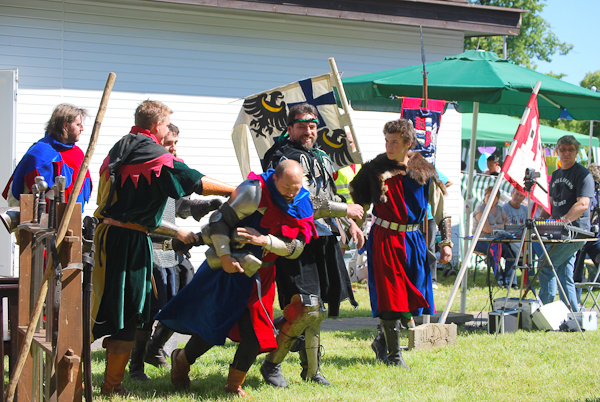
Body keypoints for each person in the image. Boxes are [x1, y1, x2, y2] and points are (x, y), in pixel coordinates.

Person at [91, 100, 236, 396]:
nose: (168, 130)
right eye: (167, 124)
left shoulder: (123, 145)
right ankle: (111, 385)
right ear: (157, 125)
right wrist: (236, 189)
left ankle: (113, 381)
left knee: (126, 310)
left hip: (119, 236)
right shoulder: (148, 150)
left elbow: (170, 195)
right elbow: (193, 180)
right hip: (125, 241)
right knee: (127, 312)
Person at [157, 160, 317, 397]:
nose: (291, 194)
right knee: (213, 325)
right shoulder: (253, 191)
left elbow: (297, 247)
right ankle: (181, 359)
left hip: (262, 275)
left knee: (257, 335)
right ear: (275, 179)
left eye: (296, 188)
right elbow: (218, 222)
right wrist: (224, 257)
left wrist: (265, 241)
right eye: (286, 188)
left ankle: (234, 386)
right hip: (230, 270)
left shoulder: (302, 201)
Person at [260, 103, 365, 387]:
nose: (308, 131)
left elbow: (329, 194)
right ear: (290, 128)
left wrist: (349, 222)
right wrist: (345, 210)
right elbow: (300, 203)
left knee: (316, 310)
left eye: (312, 126)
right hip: (295, 239)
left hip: (324, 237)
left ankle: (312, 371)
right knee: (306, 306)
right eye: (302, 126)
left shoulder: (321, 156)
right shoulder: (281, 158)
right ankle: (272, 364)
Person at [349, 119, 453, 368]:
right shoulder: (374, 170)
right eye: (387, 140)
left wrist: (446, 242)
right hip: (384, 239)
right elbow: (358, 207)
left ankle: (381, 342)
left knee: (410, 295)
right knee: (390, 295)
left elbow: (440, 208)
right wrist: (352, 226)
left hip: (414, 240)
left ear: (408, 143)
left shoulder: (423, 169)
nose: (389, 146)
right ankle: (394, 356)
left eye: (394, 142)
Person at [128, 123, 224, 382]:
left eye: (175, 143)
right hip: (151, 251)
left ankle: (154, 348)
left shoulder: (171, 168)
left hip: (174, 253)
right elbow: (145, 217)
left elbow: (177, 205)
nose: (172, 148)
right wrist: (177, 231)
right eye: (168, 143)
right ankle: (135, 366)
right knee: (147, 312)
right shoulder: (145, 172)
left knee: (179, 305)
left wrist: (205, 204)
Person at [538, 136, 594, 312]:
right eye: (562, 149)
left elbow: (583, 204)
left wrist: (563, 222)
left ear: (577, 152)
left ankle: (544, 311)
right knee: (563, 274)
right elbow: (550, 205)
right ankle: (571, 315)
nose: (566, 153)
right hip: (558, 232)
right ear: (557, 152)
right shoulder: (555, 175)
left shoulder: (583, 174)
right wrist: (538, 222)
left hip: (575, 232)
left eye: (570, 149)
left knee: (545, 265)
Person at [3, 103, 92, 210]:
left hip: (73, 218)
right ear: (66, 126)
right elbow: (16, 196)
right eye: (78, 125)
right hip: (43, 218)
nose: (82, 129)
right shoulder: (38, 153)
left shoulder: (78, 155)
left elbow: (82, 195)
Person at [472, 186, 515, 286]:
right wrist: (501, 226)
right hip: (481, 240)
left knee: (511, 256)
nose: (491, 198)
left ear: (497, 198)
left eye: (494, 196)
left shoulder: (500, 208)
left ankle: (509, 281)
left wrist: (494, 226)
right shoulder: (480, 209)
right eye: (488, 196)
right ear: (484, 196)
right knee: (494, 253)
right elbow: (486, 229)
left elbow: (509, 224)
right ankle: (500, 280)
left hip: (497, 240)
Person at [573, 163, 600, 303]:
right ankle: (575, 303)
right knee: (576, 273)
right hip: (581, 234)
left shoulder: (597, 193)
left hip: (594, 237)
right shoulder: (582, 190)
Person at [423, 168, 452, 289]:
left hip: (429, 216)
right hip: (412, 219)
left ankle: (432, 279)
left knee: (429, 247)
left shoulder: (428, 168)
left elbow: (448, 181)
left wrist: (435, 191)